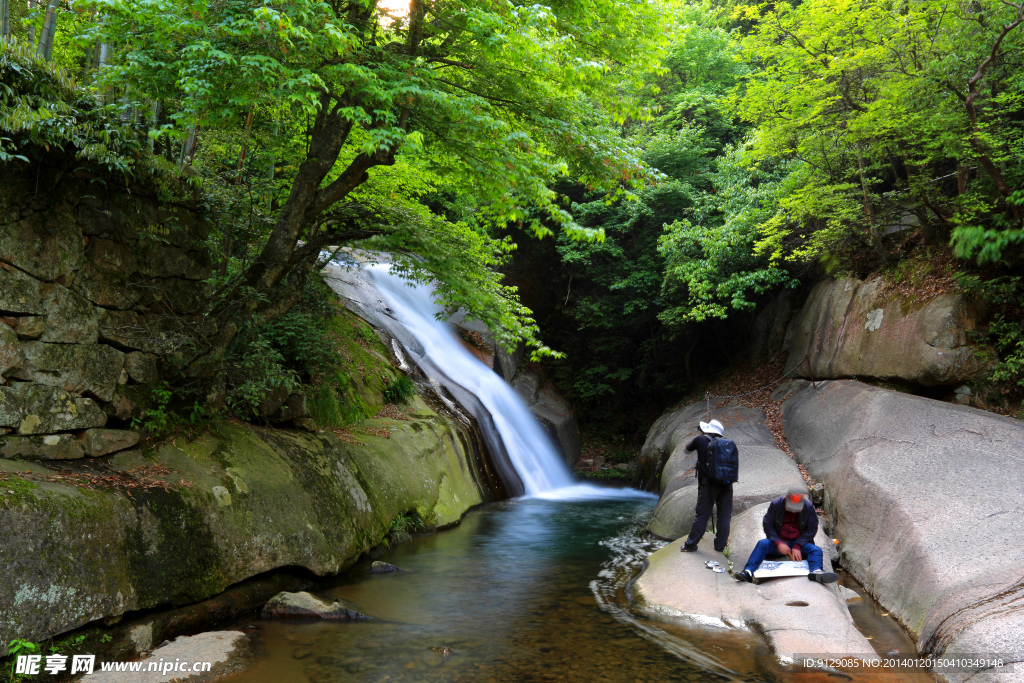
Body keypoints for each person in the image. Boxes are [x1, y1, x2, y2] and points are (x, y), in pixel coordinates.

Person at [735, 488, 838, 583]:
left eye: (797, 508)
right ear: (785, 499)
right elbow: (768, 524)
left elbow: (812, 528)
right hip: (778, 543)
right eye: (791, 507)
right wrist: (778, 543)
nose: (794, 511)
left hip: (799, 544)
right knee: (762, 544)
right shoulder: (776, 504)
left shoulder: (808, 507)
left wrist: (798, 545)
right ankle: (748, 572)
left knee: (816, 550)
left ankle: (816, 572)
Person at [680, 419, 733, 553]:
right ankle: (720, 546)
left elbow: (686, 450)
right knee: (725, 515)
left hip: (709, 484)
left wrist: (699, 434)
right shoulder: (727, 443)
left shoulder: (701, 440)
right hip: (727, 483)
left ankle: (691, 545)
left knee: (702, 514)